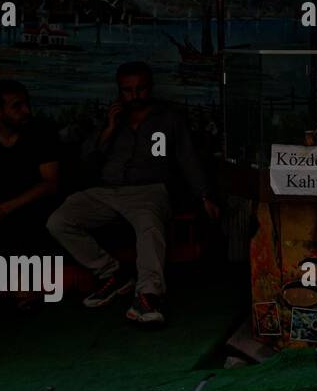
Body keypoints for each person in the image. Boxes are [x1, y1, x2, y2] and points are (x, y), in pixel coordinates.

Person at [47, 62, 219, 326]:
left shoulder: (168, 118)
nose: (134, 95)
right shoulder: (110, 118)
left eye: (140, 89)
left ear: (150, 87)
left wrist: (205, 196)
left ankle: (148, 294)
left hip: (149, 190)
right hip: (106, 190)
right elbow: (87, 159)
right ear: (119, 91)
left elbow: (187, 158)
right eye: (127, 90)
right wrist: (109, 127)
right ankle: (111, 274)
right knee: (59, 221)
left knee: (149, 225)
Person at [0, 81, 61, 306]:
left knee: (24, 291)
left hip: (27, 205)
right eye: (17, 106)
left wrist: (4, 209)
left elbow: (50, 183)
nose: (27, 111)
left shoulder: (41, 131)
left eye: (27, 104)